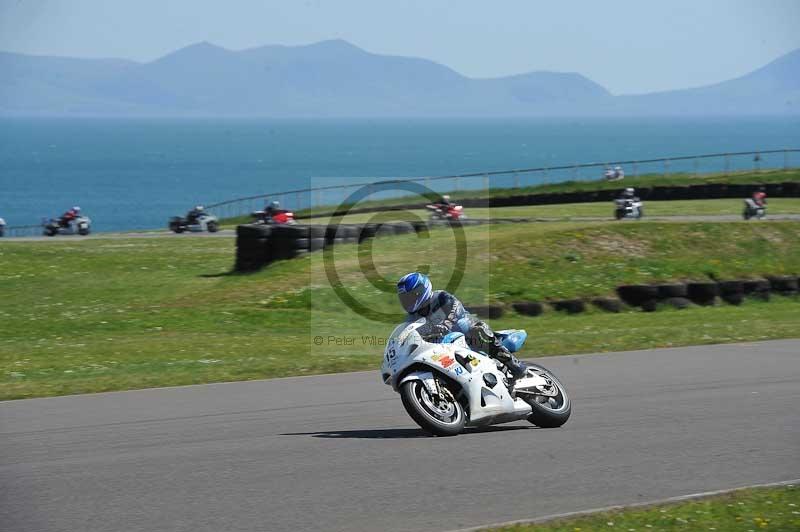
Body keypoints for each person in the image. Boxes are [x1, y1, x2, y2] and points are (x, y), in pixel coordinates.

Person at [396, 272, 527, 381]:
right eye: (405, 298)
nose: (409, 301)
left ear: (422, 290)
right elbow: (408, 335)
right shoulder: (411, 319)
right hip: (443, 346)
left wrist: (444, 325)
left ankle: (513, 363)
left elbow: (455, 310)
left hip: (466, 333)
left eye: (412, 296)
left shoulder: (441, 297)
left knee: (477, 330)